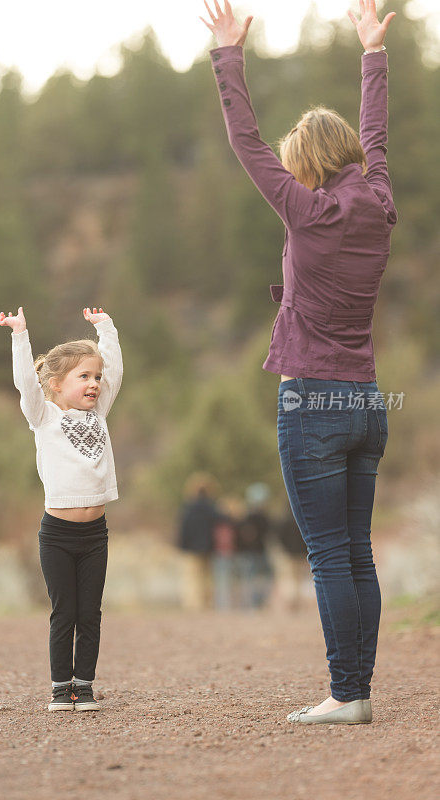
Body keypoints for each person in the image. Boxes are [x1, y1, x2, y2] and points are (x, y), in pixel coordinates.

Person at [200, 0, 396, 725]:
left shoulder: (308, 213)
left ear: (306, 167)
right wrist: (372, 55)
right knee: (358, 554)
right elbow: (375, 139)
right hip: (367, 404)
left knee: (328, 557)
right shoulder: (377, 199)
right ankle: (358, 690)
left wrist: (228, 55)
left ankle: (347, 695)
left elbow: (244, 140)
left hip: (312, 403)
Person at [0, 305, 122, 712]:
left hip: (95, 535)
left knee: (91, 613)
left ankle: (83, 687)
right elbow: (25, 386)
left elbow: (115, 371)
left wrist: (106, 329)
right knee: (64, 612)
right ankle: (59, 688)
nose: (94, 384)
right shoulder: (43, 417)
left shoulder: (99, 413)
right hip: (58, 534)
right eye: (83, 377)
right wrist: (20, 335)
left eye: (96, 377)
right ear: (55, 384)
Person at [177, 472, 221, 609]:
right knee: (208, 577)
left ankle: (194, 605)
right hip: (208, 547)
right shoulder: (210, 507)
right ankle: (208, 605)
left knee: (192, 578)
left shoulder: (188, 508)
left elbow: (183, 529)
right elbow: (222, 520)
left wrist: (182, 546)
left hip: (191, 548)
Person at [235, 484, 274, 609]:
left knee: (252, 578)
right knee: (261, 576)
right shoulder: (262, 517)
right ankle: (255, 601)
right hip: (256, 551)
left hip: (253, 552)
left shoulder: (247, 516)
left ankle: (254, 601)